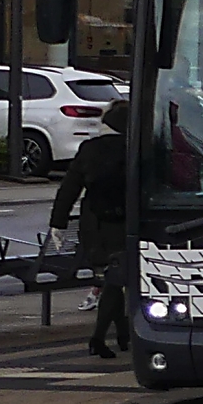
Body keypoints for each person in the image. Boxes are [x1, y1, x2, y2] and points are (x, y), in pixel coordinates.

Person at [48, 100, 130, 358]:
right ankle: (100, 337)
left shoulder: (90, 148)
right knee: (115, 282)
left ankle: (119, 333)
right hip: (124, 225)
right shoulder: (135, 149)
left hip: (93, 225)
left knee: (110, 280)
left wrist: (58, 223)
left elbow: (69, 188)